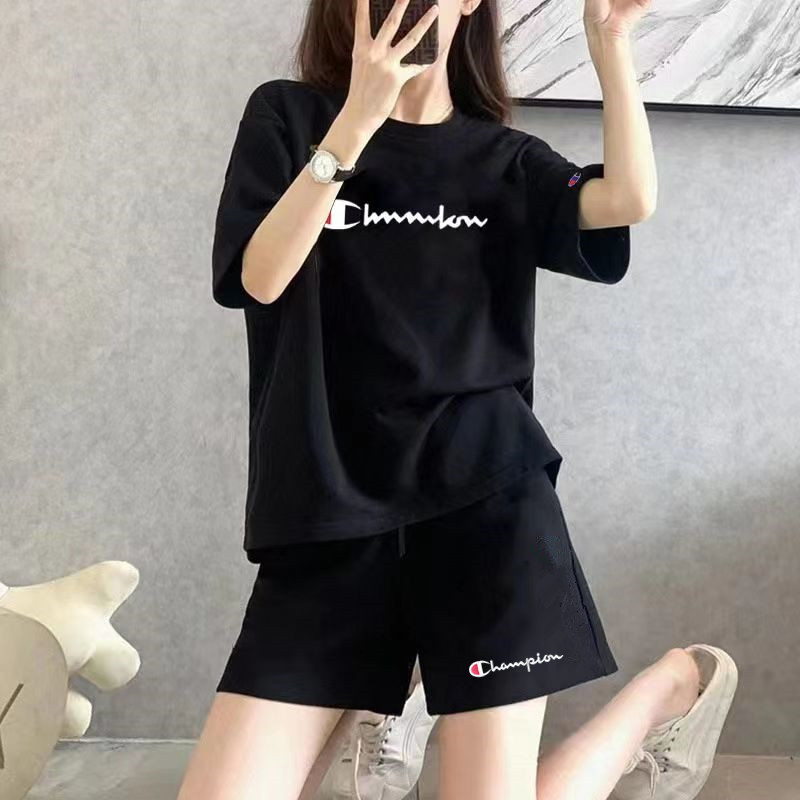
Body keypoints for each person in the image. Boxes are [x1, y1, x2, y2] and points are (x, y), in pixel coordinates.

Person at [178, 1, 738, 798]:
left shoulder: (504, 160)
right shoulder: (289, 116)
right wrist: (357, 121)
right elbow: (260, 278)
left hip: (487, 513)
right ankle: (398, 695)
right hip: (329, 520)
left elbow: (627, 200)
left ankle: (662, 692)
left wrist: (611, 43)